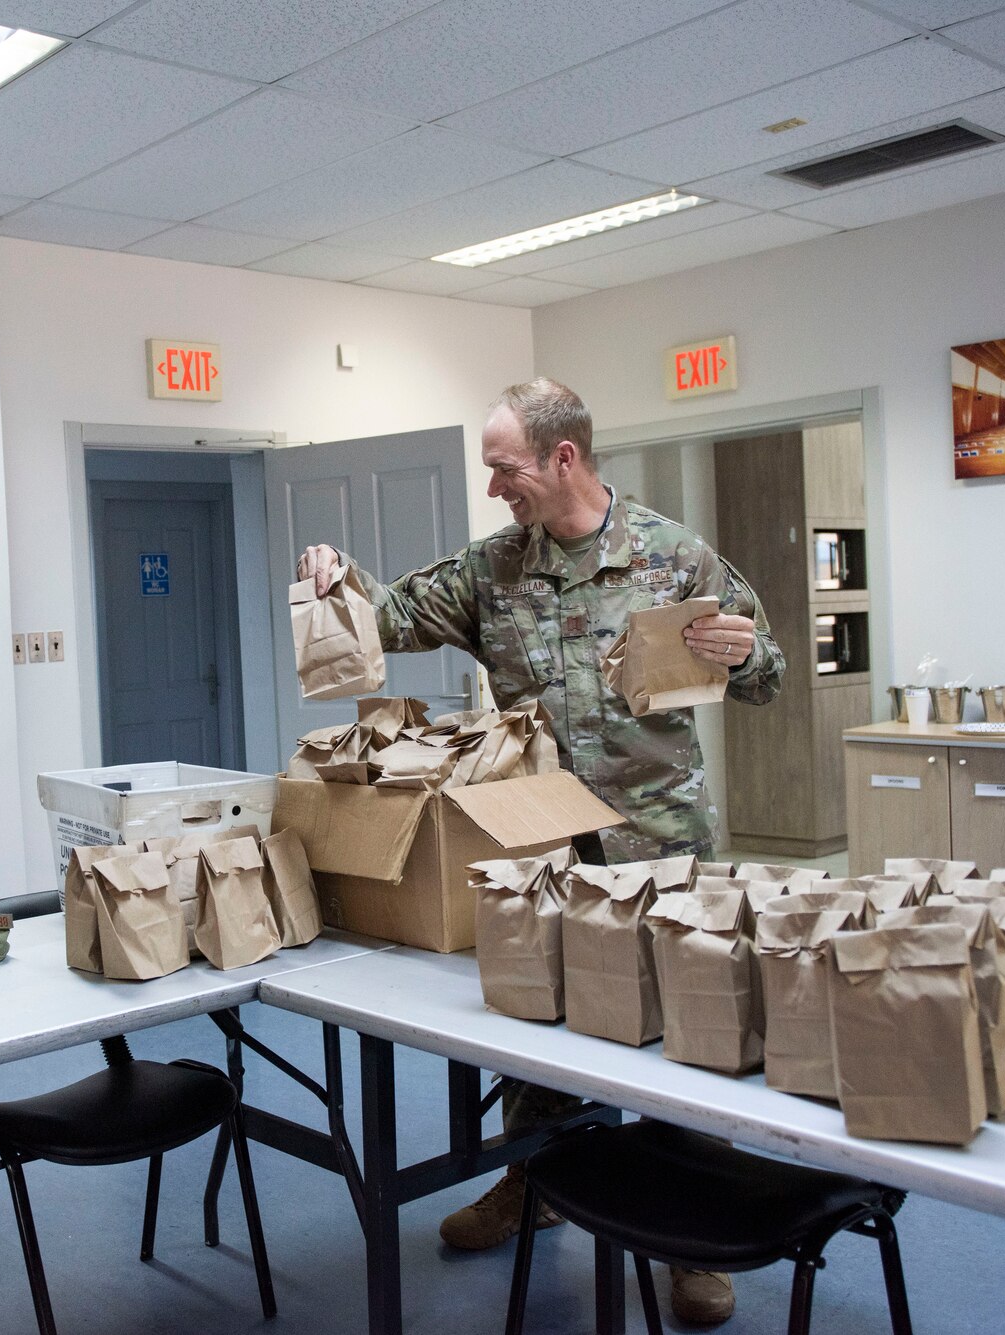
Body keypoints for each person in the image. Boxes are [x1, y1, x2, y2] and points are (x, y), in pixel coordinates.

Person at [297, 378, 783, 1327]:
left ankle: (691, 1237)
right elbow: (387, 616)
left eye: (503, 468)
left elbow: (763, 669)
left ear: (565, 458)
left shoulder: (672, 555)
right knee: (534, 1035)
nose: (494, 488)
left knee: (689, 1038)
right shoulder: (494, 570)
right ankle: (536, 1186)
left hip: (662, 847)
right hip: (541, 843)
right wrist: (332, 571)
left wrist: (739, 651)